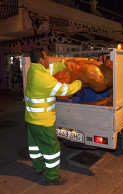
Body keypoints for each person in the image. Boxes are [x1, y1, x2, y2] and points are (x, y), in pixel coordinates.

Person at [25, 48, 82, 186]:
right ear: (41, 60)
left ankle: (38, 168)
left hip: (31, 120)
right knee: (52, 149)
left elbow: (50, 69)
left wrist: (64, 63)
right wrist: (79, 83)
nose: (49, 60)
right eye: (46, 57)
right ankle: (52, 177)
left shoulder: (33, 70)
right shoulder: (43, 78)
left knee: (35, 147)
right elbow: (65, 90)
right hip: (43, 121)